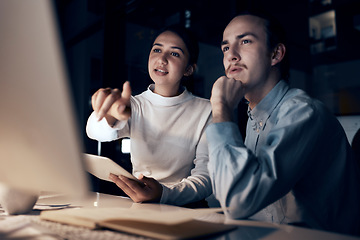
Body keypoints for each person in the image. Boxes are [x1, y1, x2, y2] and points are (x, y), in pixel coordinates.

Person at [206, 10, 360, 235]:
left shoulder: (303, 113)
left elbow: (237, 201)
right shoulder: (254, 115)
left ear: (276, 54)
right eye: (226, 48)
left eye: (245, 41)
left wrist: (220, 107)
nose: (231, 55)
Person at [86, 25, 212, 207]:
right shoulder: (133, 104)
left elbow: (206, 178)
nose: (162, 58)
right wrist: (111, 115)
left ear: (189, 69)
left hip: (186, 207)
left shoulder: (206, 110)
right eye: (157, 49)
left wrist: (164, 194)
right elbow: (95, 133)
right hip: (140, 204)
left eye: (174, 53)